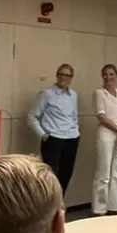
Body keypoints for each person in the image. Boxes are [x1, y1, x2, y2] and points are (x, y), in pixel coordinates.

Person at [29, 63, 81, 193]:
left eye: (67, 75)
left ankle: (59, 207)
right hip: (53, 139)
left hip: (71, 138)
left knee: (66, 175)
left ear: (71, 78)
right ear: (57, 76)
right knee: (51, 177)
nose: (64, 78)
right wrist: (43, 135)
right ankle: (50, 209)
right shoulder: (47, 94)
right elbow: (32, 117)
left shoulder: (73, 95)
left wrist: (76, 130)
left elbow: (74, 116)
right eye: (61, 74)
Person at [92, 64, 117, 216]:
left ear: (116, 75)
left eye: (111, 74)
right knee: (104, 173)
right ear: (102, 76)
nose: (109, 78)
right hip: (106, 133)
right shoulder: (99, 93)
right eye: (105, 75)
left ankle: (114, 207)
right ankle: (99, 209)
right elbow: (102, 116)